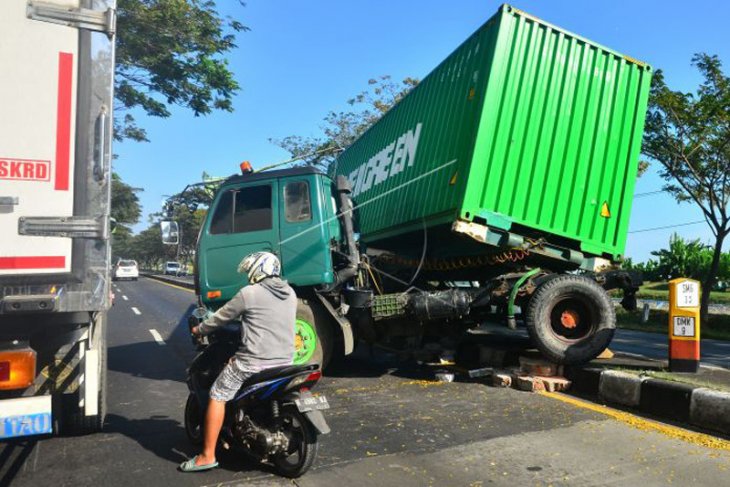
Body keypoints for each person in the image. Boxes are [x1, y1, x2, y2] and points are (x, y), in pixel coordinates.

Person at [179, 251, 297, 472]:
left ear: (259, 269)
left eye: (250, 269)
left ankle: (207, 456)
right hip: (285, 361)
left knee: (217, 394)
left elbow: (220, 318)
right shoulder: (290, 293)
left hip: (254, 363)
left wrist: (198, 329)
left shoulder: (249, 293)